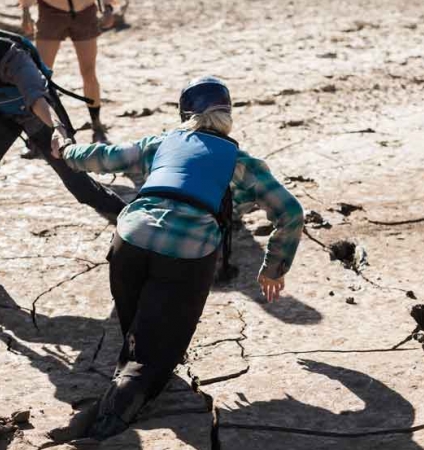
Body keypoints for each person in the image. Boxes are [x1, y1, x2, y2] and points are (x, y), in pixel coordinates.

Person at [47, 76, 305, 441]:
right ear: (227, 114)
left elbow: (104, 157)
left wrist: (67, 150)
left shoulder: (161, 142)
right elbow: (290, 212)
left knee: (138, 331)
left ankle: (124, 386)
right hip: (186, 255)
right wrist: (274, 267)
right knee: (156, 354)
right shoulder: (241, 162)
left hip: (129, 240)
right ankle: (106, 425)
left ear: (184, 113)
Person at [0, 8, 126, 281]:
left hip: (40, 118)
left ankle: (131, 217)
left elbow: (38, 100)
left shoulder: (15, 58)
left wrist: (59, 131)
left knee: (79, 185)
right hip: (2, 115)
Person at [19, 0, 118, 146]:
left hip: (84, 12)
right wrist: (25, 10)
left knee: (89, 71)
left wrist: (108, 7)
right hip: (51, 11)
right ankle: (38, 134)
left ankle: (97, 127)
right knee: (40, 75)